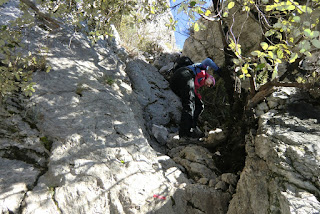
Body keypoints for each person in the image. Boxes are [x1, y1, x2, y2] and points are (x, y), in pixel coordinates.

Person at [170, 57, 221, 139]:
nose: (209, 86)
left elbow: (193, 92)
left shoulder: (196, 83)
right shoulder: (202, 69)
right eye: (211, 84)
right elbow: (208, 61)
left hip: (176, 84)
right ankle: (184, 134)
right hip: (184, 73)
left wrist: (199, 99)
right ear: (210, 78)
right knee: (189, 104)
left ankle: (192, 127)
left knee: (199, 105)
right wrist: (218, 70)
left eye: (210, 87)